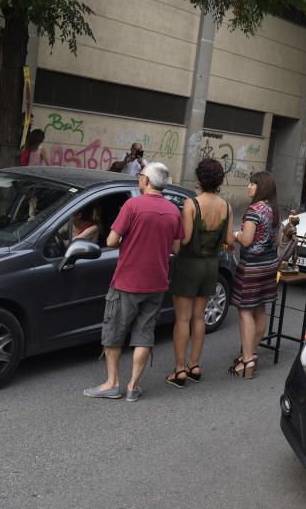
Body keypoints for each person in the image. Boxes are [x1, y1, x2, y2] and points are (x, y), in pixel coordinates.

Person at [84, 162, 184, 402]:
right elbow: (176, 248)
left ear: (146, 181)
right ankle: (132, 387)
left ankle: (112, 383)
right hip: (157, 282)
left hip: (127, 281)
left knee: (114, 331)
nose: (139, 179)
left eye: (140, 176)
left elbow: (110, 241)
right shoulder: (173, 211)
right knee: (144, 333)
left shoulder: (132, 205)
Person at [166, 158, 235, 388]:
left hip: (189, 264)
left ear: (199, 178)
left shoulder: (191, 204)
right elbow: (227, 239)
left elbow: (184, 239)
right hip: (210, 266)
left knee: (182, 319)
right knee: (199, 317)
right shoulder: (226, 205)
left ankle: (179, 369)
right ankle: (195, 365)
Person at [229, 171, 280, 379]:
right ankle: (253, 353)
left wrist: (236, 235)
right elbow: (277, 242)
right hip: (269, 265)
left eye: (252, 184)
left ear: (262, 187)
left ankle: (247, 359)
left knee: (245, 311)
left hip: (252, 265)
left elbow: (247, 240)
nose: (248, 187)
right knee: (260, 309)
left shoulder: (254, 210)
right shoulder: (274, 210)